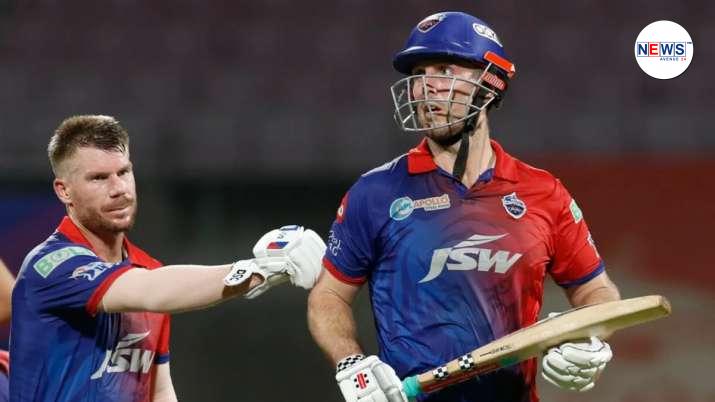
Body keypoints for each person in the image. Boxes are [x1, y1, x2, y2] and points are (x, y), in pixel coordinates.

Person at [307, 11, 621, 402]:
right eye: (418, 74)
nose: (426, 87)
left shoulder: (544, 193)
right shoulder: (375, 193)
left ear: (489, 85)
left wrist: (589, 337)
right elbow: (328, 296)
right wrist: (350, 362)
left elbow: (597, 291)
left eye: (443, 69)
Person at [10, 115, 326, 402]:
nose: (119, 188)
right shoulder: (51, 266)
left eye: (124, 172)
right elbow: (148, 290)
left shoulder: (149, 269)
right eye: (99, 178)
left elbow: (159, 390)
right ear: (64, 191)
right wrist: (258, 270)